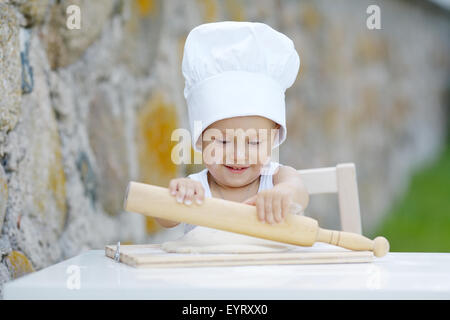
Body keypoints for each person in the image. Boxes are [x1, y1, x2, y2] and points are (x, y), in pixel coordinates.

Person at [155, 21, 309, 233]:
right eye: (223, 140)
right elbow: (163, 217)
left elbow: (299, 191)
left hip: (269, 267)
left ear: (273, 139)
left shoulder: (276, 179)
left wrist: (284, 193)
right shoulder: (197, 189)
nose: (237, 155)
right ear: (200, 139)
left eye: (254, 142)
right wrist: (179, 197)